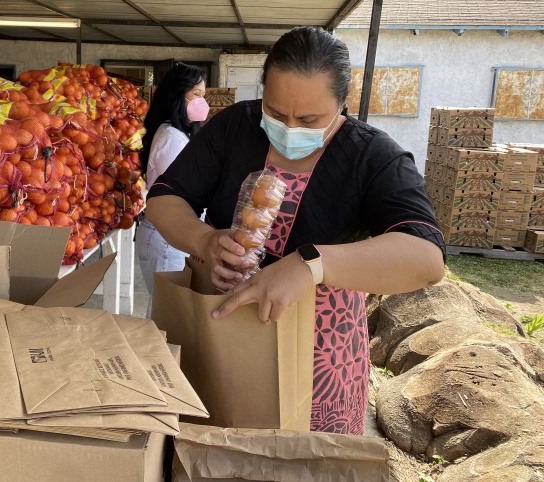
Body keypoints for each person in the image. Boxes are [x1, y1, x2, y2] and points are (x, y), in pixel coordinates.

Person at [145, 27, 445, 435]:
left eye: (308, 120)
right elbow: (164, 197)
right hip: (217, 335)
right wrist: (204, 239)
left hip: (319, 355)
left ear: (342, 103)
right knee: (212, 452)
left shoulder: (372, 156)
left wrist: (311, 266)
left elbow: (425, 257)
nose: (288, 128)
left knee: (304, 460)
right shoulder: (236, 127)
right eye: (275, 112)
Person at [136, 63, 209, 317]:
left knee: (166, 312)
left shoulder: (177, 134)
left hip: (171, 237)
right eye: (197, 95)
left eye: (204, 95)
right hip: (166, 238)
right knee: (167, 315)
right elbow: (178, 194)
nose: (203, 102)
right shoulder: (171, 138)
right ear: (178, 96)